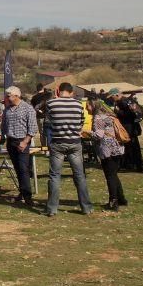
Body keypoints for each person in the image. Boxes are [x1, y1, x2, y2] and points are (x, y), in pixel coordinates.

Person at [44, 83, 93, 216]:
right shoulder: (78, 104)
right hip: (74, 143)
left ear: (58, 91)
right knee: (79, 175)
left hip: (58, 142)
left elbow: (48, 121)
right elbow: (81, 122)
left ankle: (52, 209)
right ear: (71, 92)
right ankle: (86, 207)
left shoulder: (51, 103)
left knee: (55, 176)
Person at [0, 86, 37, 206]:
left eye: (8, 95)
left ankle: (28, 197)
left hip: (22, 141)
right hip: (11, 142)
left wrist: (25, 142)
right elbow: (2, 128)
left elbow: (33, 128)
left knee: (23, 169)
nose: (6, 98)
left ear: (17, 96)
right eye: (6, 95)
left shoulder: (28, 109)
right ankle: (22, 192)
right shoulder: (7, 110)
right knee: (17, 169)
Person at [88, 97, 127, 211]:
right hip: (117, 147)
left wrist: (87, 132)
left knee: (110, 175)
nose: (87, 109)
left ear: (93, 105)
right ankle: (121, 199)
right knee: (114, 174)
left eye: (88, 106)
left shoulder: (98, 118)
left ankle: (113, 201)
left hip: (107, 149)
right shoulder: (109, 115)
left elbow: (99, 135)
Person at [111, 89, 143, 172]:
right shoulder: (127, 100)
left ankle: (133, 165)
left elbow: (130, 114)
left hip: (128, 128)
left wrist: (117, 113)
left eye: (112, 97)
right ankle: (134, 165)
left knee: (131, 147)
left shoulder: (123, 102)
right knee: (132, 147)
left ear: (117, 95)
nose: (112, 98)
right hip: (131, 128)